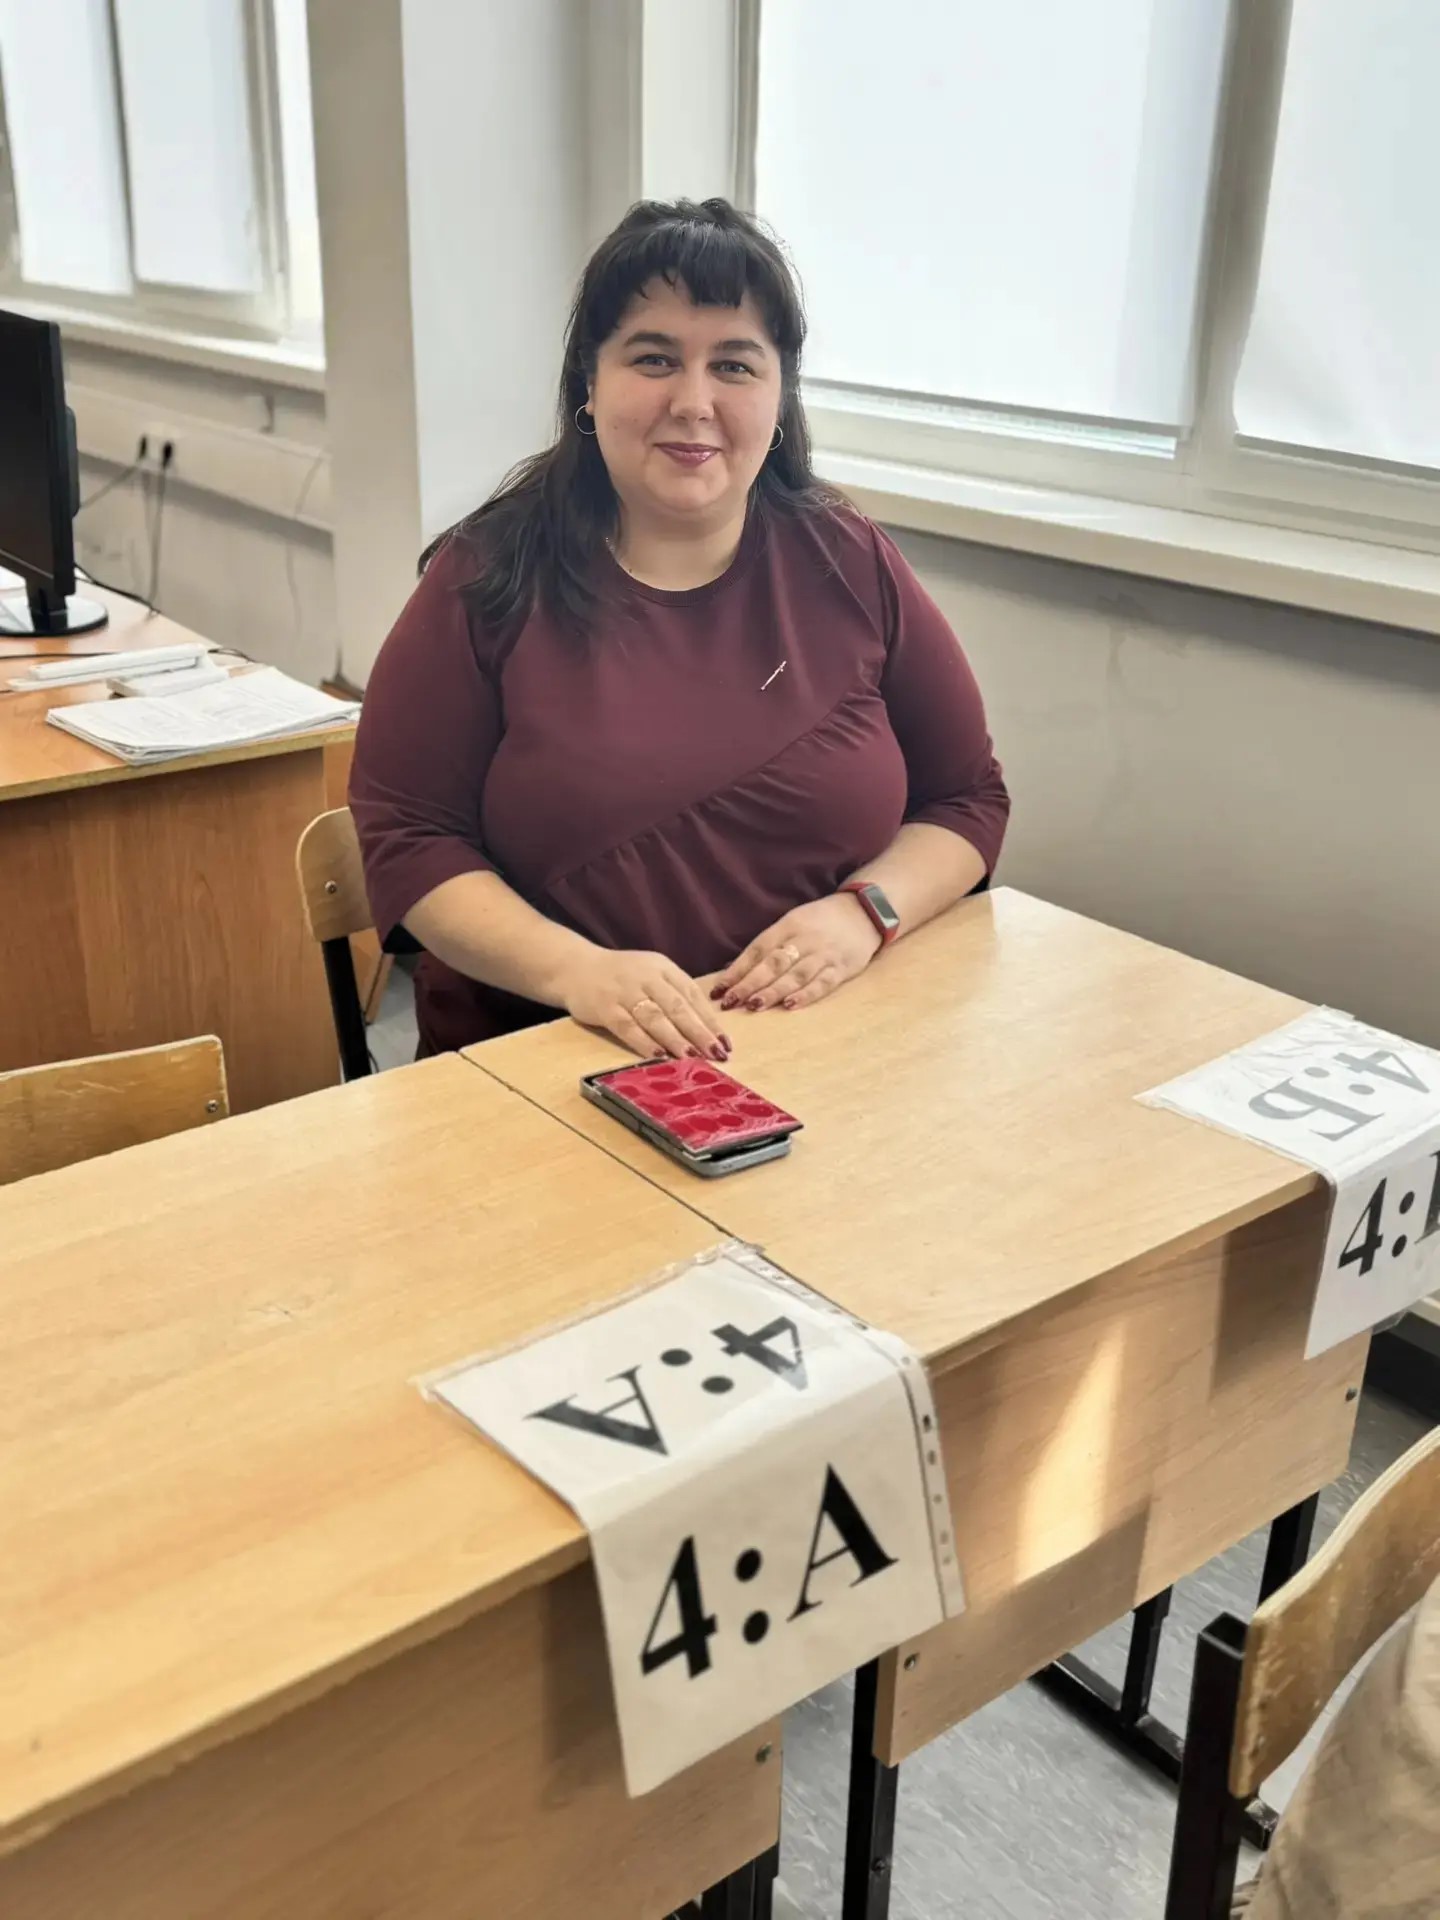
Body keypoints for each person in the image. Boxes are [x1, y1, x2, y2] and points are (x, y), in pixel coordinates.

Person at [351, 197, 1009, 1062]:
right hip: (554, 1053)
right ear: (590, 384)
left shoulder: (847, 558)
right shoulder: (483, 580)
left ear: (779, 396)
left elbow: (965, 800)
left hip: (832, 1043)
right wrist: (580, 973)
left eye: (734, 365)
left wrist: (863, 914)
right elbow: (408, 839)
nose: (694, 402)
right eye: (654, 358)